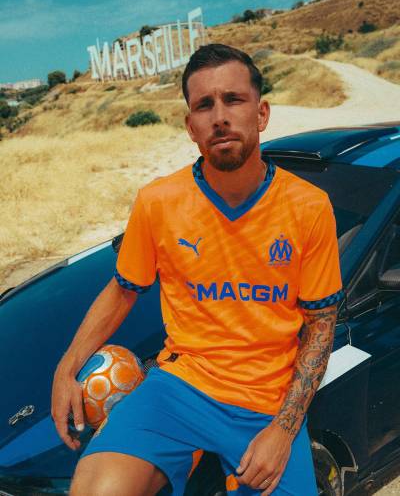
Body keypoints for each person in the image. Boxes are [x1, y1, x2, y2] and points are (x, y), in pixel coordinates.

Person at [51, 43, 344, 496]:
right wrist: (66, 368)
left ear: (261, 114)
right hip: (179, 389)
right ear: (191, 127)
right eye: (204, 105)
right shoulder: (158, 202)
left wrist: (283, 431)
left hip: (267, 402)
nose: (219, 117)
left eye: (234, 99)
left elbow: (321, 325)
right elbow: (123, 289)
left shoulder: (308, 207)